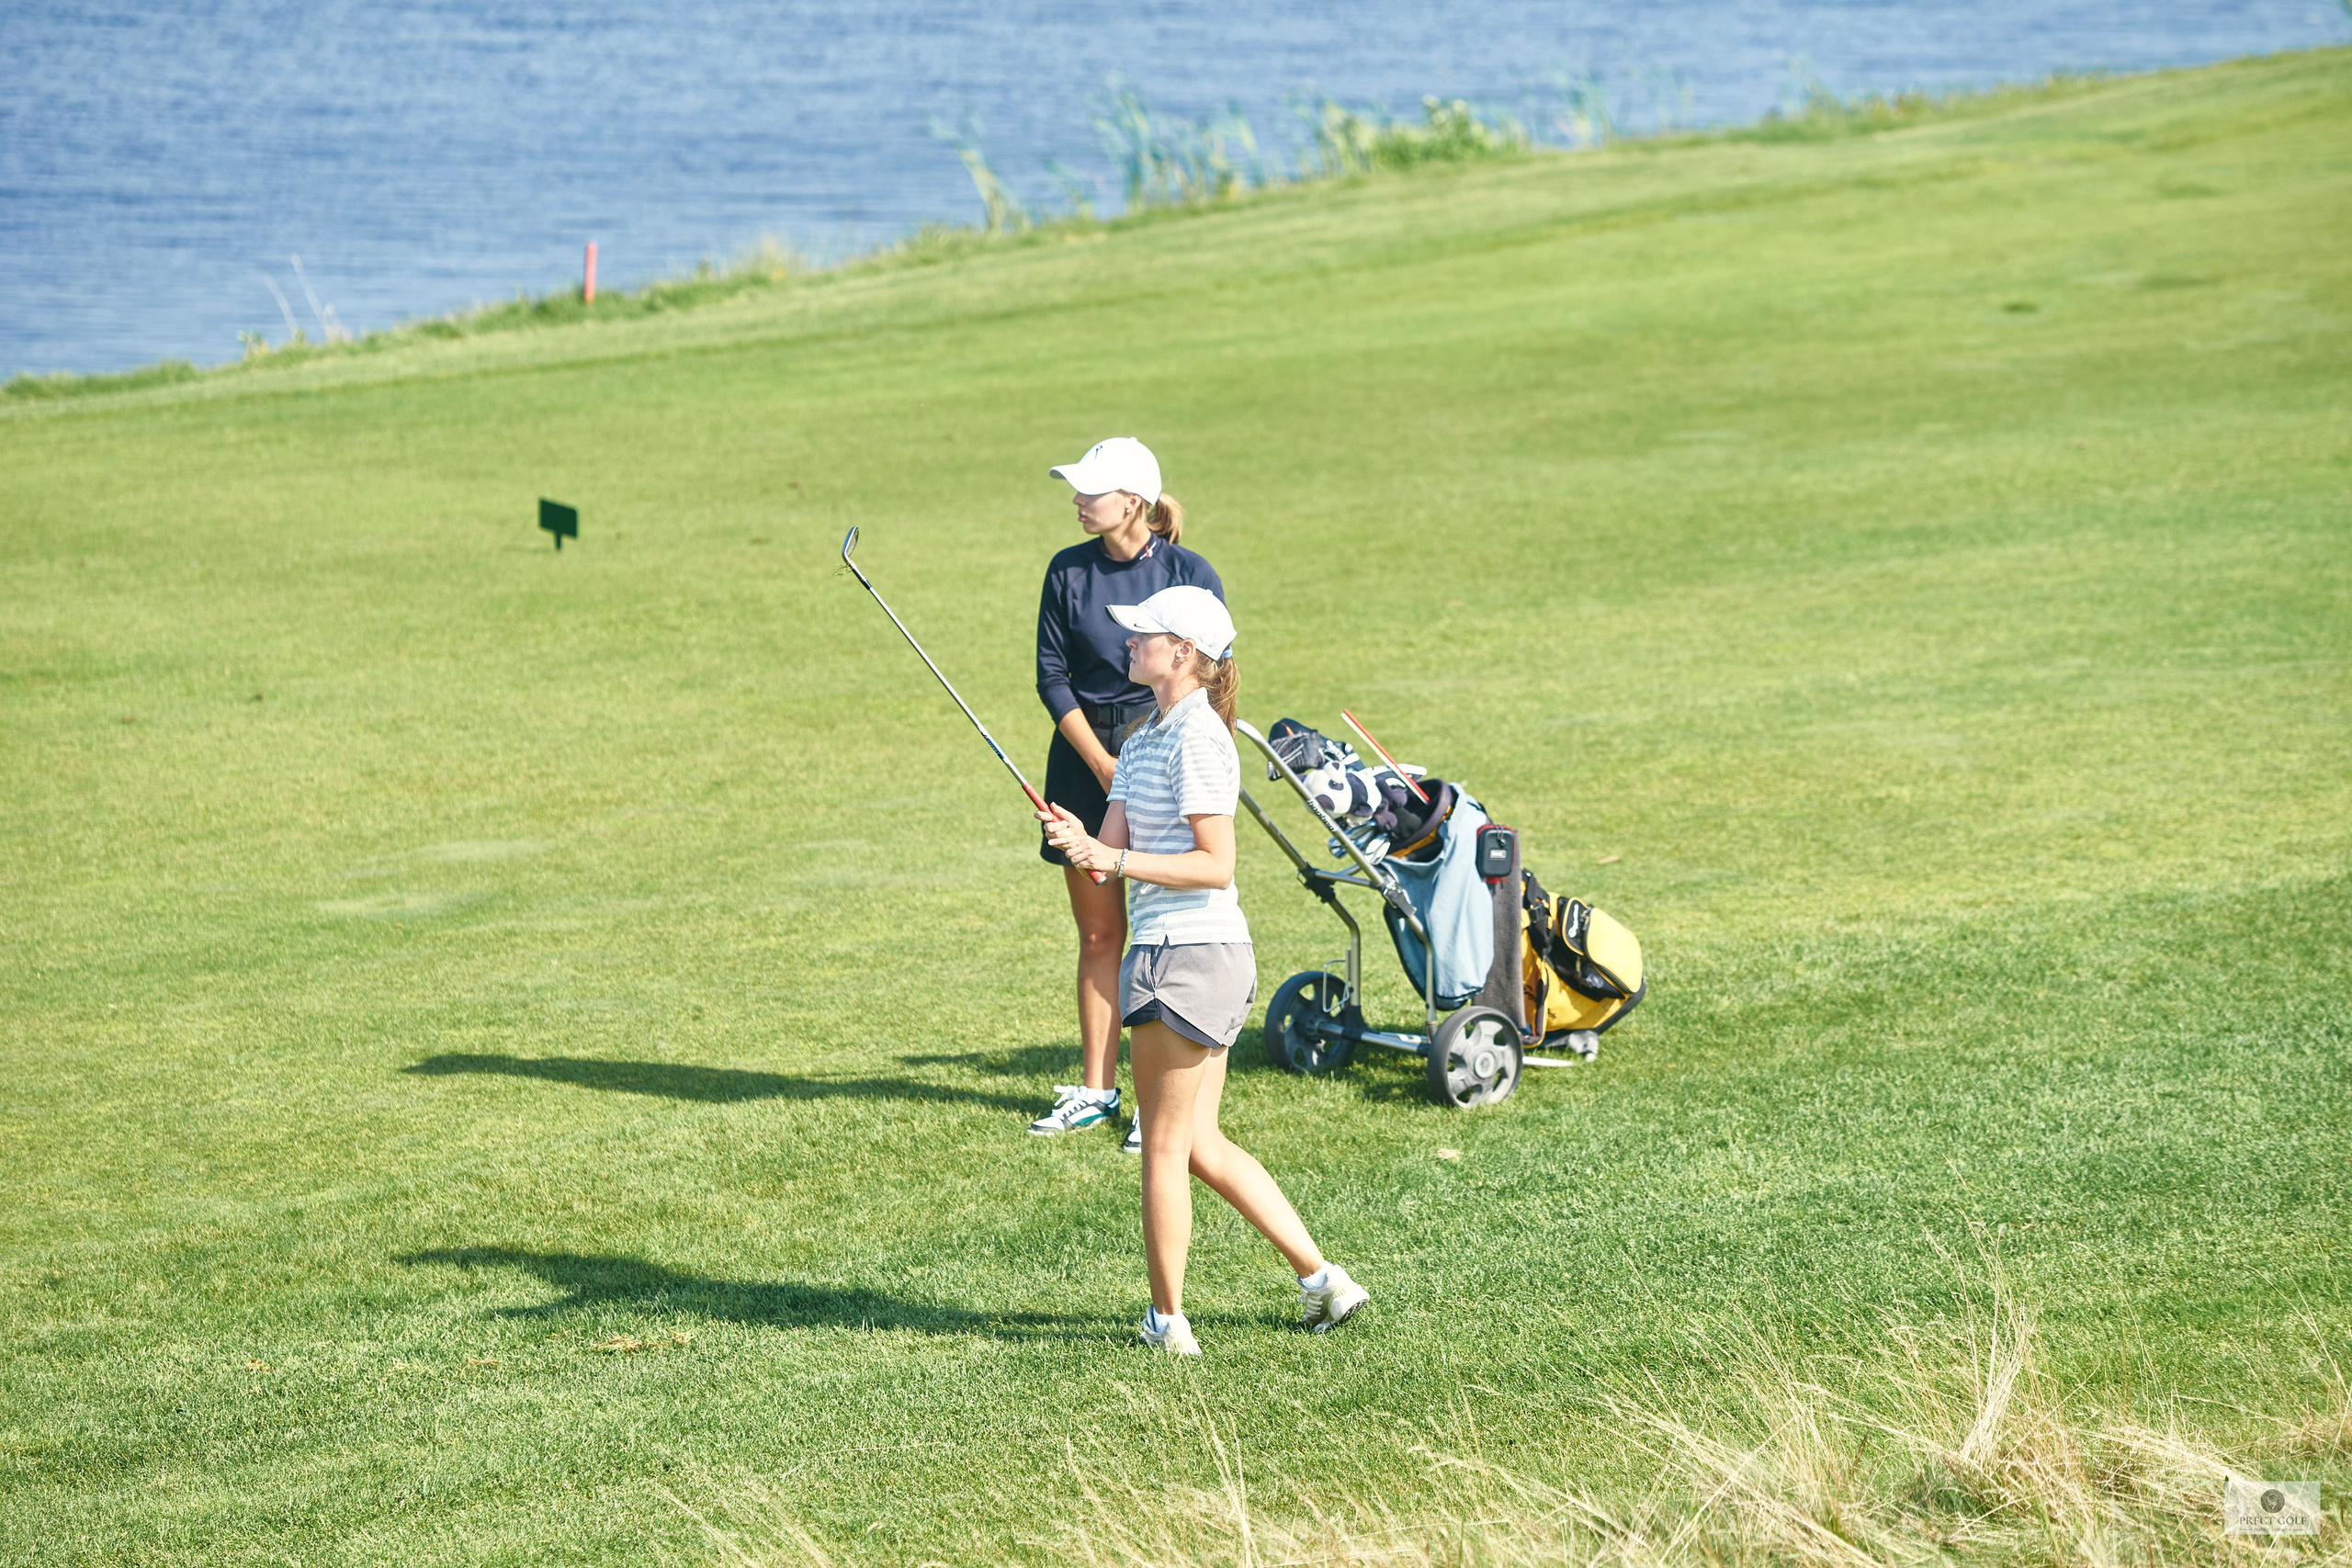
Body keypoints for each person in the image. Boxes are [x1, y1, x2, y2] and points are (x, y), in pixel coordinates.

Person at [1041, 586, 1370, 1354]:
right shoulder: (1145, 734)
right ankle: (1325, 1281)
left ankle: (1167, 1322)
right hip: (1178, 954)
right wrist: (1078, 838)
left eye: (1142, 634)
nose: (1127, 643)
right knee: (1196, 1142)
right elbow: (1106, 867)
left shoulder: (1199, 738)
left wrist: (1114, 855)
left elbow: (1215, 864)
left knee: (1160, 1143)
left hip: (1188, 955)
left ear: (1182, 651)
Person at [1028, 438, 1223, 1151]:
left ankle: (1156, 1100)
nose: (1078, 500)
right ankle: (1098, 1089)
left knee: (1164, 930)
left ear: (1133, 503)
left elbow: (1210, 671)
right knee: (1102, 932)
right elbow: (1053, 677)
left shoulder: (1188, 572)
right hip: (1085, 757)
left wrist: (1147, 761)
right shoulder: (1067, 570)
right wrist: (1106, 764)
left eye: (1092, 491)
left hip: (1165, 746)